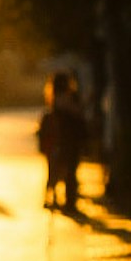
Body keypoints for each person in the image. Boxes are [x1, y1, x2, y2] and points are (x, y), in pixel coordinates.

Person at [38, 74, 84, 212]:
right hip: (67, 141)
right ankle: (67, 201)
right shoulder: (68, 99)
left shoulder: (54, 100)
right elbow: (78, 116)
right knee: (67, 171)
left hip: (56, 142)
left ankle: (54, 198)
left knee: (55, 171)